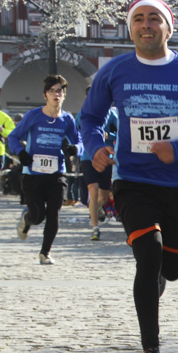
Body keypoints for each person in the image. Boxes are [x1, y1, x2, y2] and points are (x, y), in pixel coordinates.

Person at [80, 0, 178, 353]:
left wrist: (177, 148)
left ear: (168, 27)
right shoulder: (115, 71)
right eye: (138, 19)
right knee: (149, 255)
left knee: (170, 268)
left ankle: (160, 276)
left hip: (177, 184)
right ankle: (151, 352)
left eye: (154, 19)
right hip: (131, 182)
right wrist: (96, 148)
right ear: (130, 28)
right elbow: (90, 118)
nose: (146, 25)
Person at [7, 75, 81, 265]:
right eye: (52, 91)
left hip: (56, 174)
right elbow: (13, 137)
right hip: (33, 174)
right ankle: (27, 219)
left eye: (60, 91)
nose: (56, 94)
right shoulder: (33, 116)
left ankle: (45, 253)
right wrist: (20, 153)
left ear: (64, 95)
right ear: (45, 95)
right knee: (37, 215)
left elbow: (79, 141)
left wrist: (75, 149)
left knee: (53, 214)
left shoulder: (67, 119)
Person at [75, 85, 118, 241]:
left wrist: (109, 135)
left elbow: (120, 133)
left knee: (103, 197)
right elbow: (78, 136)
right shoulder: (81, 115)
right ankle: (95, 228)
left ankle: (99, 208)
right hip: (88, 157)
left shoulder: (112, 114)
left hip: (106, 157)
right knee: (92, 190)